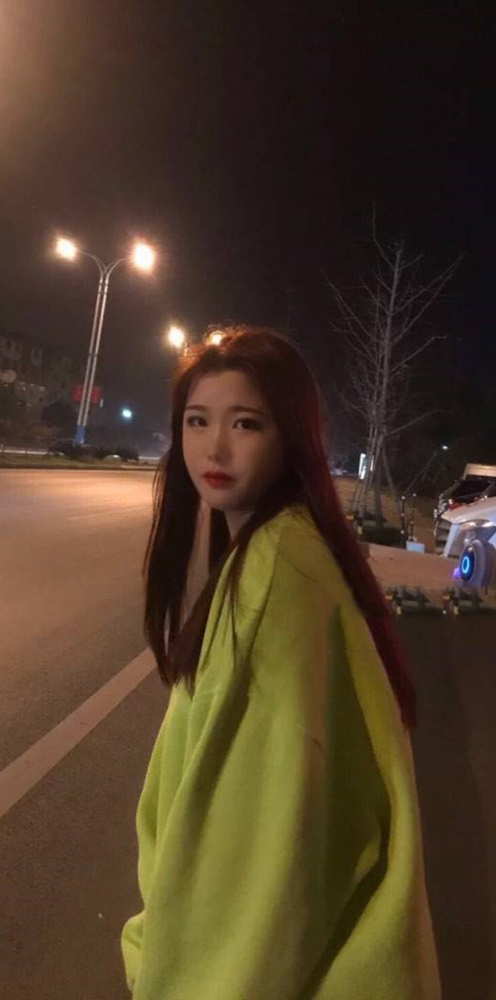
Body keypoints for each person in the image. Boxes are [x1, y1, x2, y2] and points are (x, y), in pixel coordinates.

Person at [121, 326, 441, 999]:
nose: (214, 448)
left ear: (291, 438)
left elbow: (256, 857)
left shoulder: (276, 573)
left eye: (246, 423)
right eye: (197, 421)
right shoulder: (283, 548)